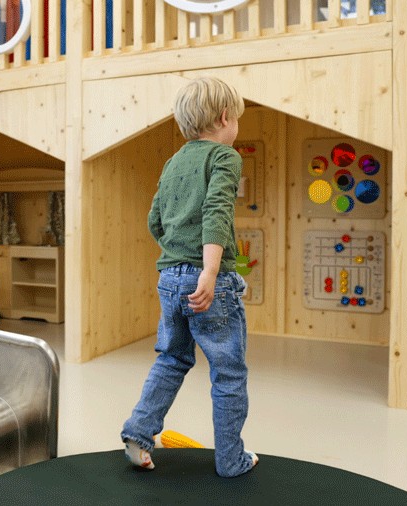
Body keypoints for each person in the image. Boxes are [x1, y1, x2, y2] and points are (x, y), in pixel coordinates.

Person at [120, 76, 258, 478]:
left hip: (169, 278)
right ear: (225, 116)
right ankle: (231, 461)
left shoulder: (174, 161)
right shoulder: (225, 157)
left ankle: (139, 433)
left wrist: (176, 254)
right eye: (237, 120)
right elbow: (218, 211)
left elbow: (154, 219)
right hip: (206, 280)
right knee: (228, 372)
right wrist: (210, 272)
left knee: (172, 358)